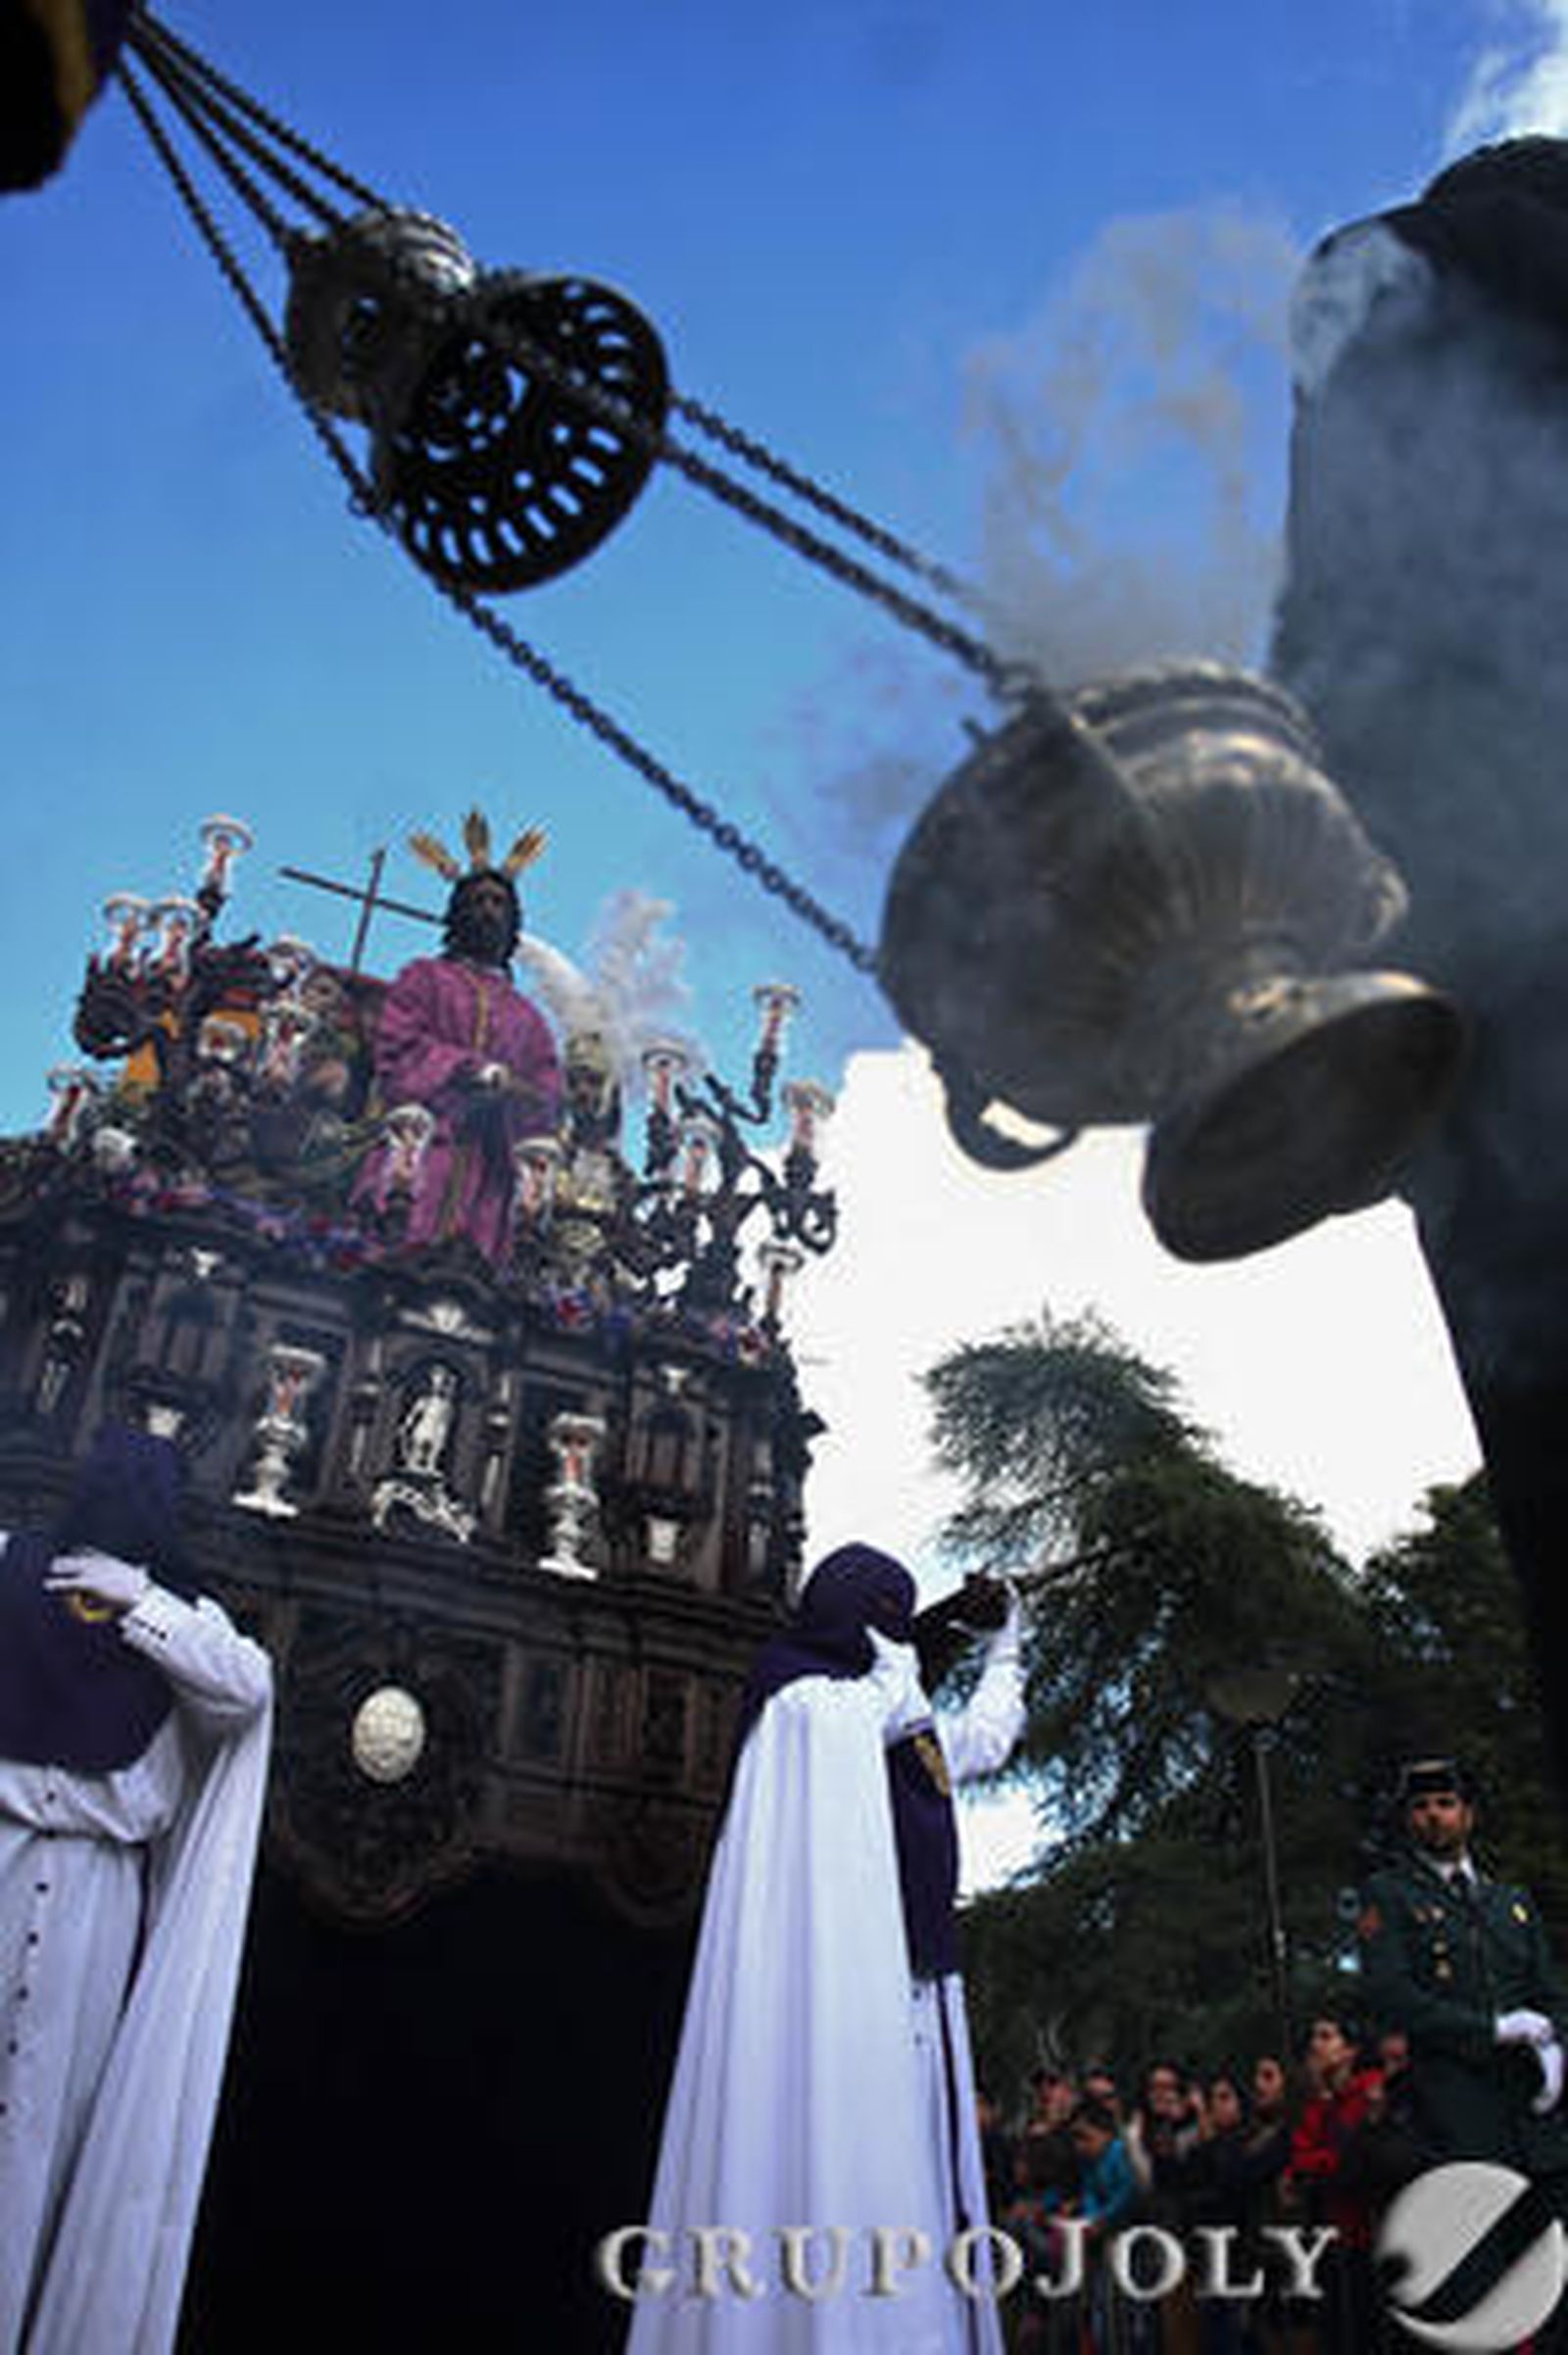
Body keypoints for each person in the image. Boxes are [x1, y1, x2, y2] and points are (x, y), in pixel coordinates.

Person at [623, 1541, 1024, 2353]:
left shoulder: (893, 1719)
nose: (895, 1635)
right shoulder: (801, 1699)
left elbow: (979, 1740)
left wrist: (1006, 1645)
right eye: (887, 1616)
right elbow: (875, 1711)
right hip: (832, 2005)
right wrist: (918, 1649)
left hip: (911, 1997)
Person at [0, 1425, 272, 2355]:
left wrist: (143, 1600)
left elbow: (247, 1686)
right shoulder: (10, 1561)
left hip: (95, 1893)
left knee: (44, 2139)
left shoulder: (177, 1616)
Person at [355, 813, 562, 1262]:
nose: (489, 910)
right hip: (422, 1148)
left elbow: (546, 1101)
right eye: (478, 901)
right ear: (456, 914)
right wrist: (475, 1070)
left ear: (513, 923)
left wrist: (524, 1099)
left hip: (490, 1174)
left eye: (499, 903)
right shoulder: (423, 978)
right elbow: (397, 1052)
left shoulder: (529, 1019)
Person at [1357, 1756, 1568, 2195]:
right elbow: (1389, 1993)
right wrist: (1491, 2029)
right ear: (1408, 1820)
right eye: (1420, 1806)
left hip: (1533, 2108)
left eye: (1445, 1802)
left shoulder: (1511, 1901)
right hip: (1453, 2109)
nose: (1433, 1814)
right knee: (1478, 2230)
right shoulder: (1390, 1895)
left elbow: (1550, 1990)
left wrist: (1556, 2050)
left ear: (1468, 1815)